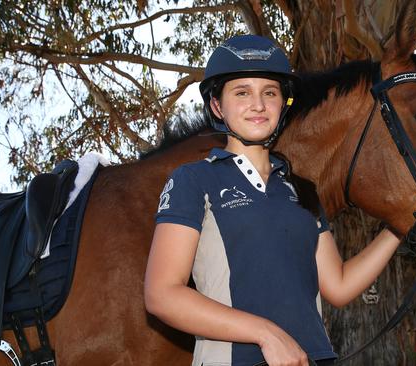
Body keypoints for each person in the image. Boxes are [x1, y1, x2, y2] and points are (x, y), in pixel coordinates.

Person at [144, 35, 400, 366]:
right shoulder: (192, 180)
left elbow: (338, 285)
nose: (258, 104)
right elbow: (162, 294)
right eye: (242, 93)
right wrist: (266, 333)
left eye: (270, 92)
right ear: (217, 106)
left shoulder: (302, 189)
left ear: (284, 104)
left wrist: (397, 229)